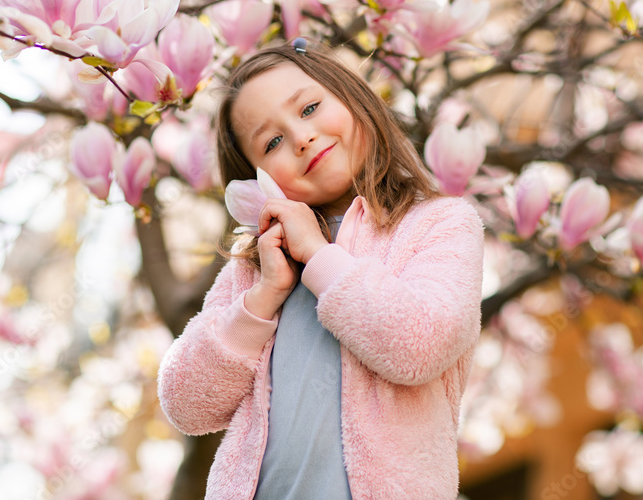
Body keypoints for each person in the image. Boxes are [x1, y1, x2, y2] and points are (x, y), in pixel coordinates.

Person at [157, 38, 485, 499]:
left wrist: (318, 254)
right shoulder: (256, 270)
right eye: (271, 141)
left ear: (353, 99)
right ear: (260, 179)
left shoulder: (437, 224)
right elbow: (186, 404)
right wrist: (263, 298)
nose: (301, 137)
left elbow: (420, 344)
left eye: (309, 108)